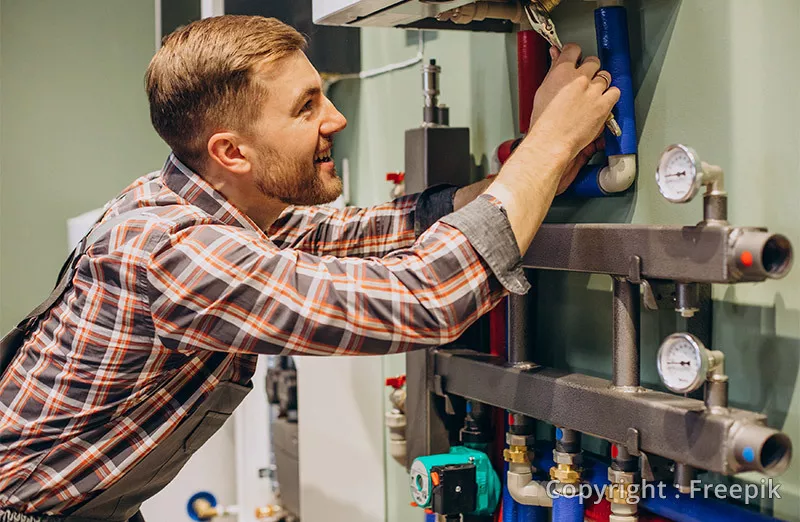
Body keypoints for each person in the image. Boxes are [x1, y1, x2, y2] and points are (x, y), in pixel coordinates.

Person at [0, 15, 618, 522]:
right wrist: (549, 144)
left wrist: (526, 177)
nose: (336, 119)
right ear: (231, 151)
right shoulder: (175, 253)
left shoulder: (210, 205)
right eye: (306, 107)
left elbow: (357, 233)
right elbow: (427, 298)